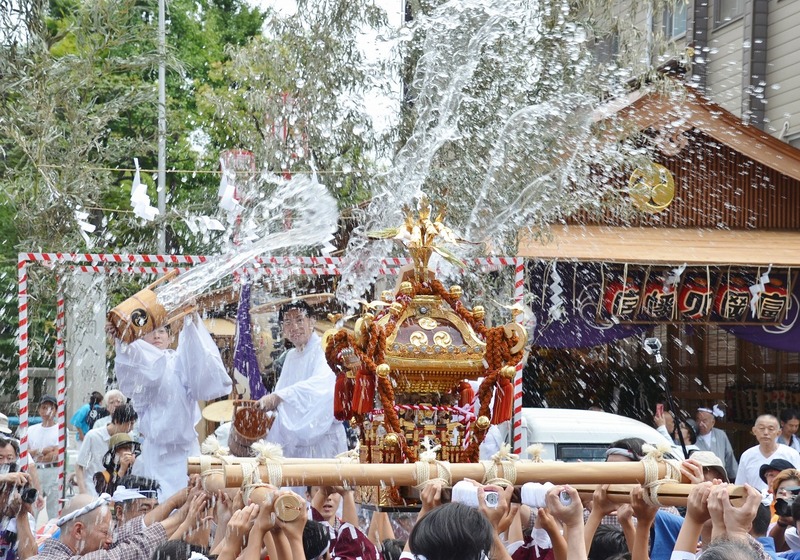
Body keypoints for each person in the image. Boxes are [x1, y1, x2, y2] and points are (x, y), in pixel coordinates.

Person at [111, 314, 232, 499]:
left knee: (190, 500)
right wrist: (120, 337)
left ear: (170, 337)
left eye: (161, 331)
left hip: (185, 451)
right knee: (158, 503)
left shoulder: (180, 362)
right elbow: (131, 361)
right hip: (156, 451)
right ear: (142, 338)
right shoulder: (140, 365)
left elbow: (199, 363)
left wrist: (191, 322)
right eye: (151, 332)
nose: (157, 336)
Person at [258, 301, 347, 459]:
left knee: (325, 483)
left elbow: (322, 388)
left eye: (299, 320)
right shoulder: (291, 356)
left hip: (323, 441)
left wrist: (279, 397)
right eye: (287, 322)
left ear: (312, 321)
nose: (294, 327)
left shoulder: (323, 349)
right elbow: (282, 394)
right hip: (297, 444)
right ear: (283, 328)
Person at [32, 492, 185, 560]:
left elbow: (129, 532)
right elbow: (129, 551)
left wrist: (176, 502)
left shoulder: (81, 547)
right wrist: (183, 516)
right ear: (78, 530)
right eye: (105, 532)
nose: (111, 540)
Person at [74, 404, 137, 497]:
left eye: (133, 423)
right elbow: (79, 465)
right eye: (129, 423)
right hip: (94, 490)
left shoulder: (129, 436)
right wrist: (83, 492)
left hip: (117, 490)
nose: (131, 428)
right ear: (116, 421)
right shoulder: (93, 436)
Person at [736, 415, 800, 492]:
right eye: (761, 428)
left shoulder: (791, 454)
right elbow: (740, 486)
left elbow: (797, 484)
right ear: (754, 430)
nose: (766, 433)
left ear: (779, 432)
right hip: (755, 502)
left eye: (771, 429)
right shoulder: (747, 455)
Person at [0, 437, 37, 560]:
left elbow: (30, 557)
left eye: (16, 489)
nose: (12, 495)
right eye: (8, 489)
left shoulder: (21, 515)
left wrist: (21, 515)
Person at [26, 395, 60, 521]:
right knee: (32, 504)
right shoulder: (31, 430)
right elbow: (25, 453)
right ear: (39, 410)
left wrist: (36, 454)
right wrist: (42, 451)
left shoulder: (60, 430)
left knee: (54, 508)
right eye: (43, 407)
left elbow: (56, 454)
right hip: (35, 471)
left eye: (50, 408)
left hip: (53, 471)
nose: (46, 411)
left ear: (55, 410)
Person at [695, 405, 739, 481]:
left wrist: (734, 478)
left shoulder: (720, 435)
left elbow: (729, 456)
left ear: (713, 422)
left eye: (704, 421)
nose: (700, 424)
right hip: (701, 478)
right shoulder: (692, 436)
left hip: (719, 478)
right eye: (698, 420)